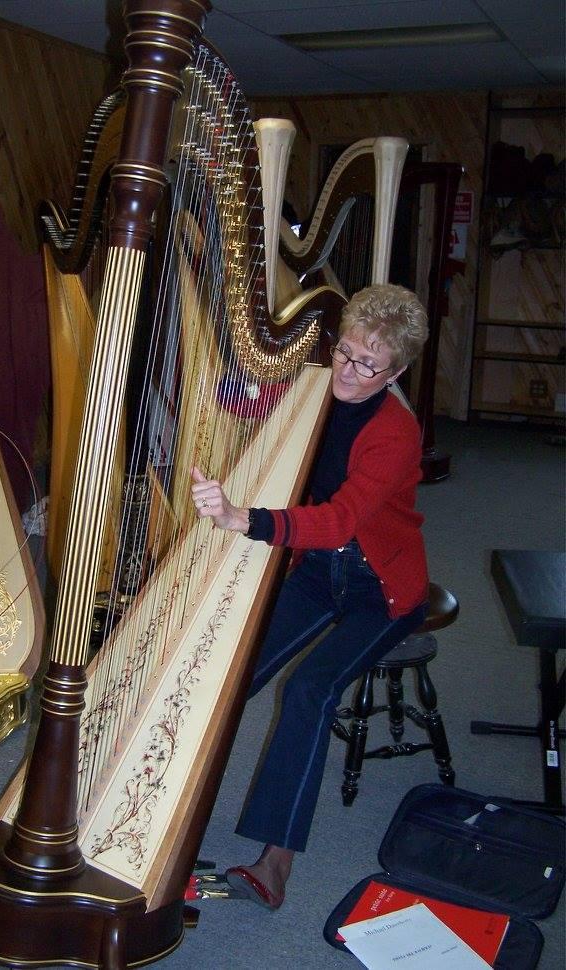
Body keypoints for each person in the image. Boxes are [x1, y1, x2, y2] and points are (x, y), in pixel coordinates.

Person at [190, 283, 430, 910]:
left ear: (395, 371)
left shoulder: (394, 433)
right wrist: (225, 375)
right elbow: (249, 402)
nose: (347, 373)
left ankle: (275, 864)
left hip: (380, 588)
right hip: (319, 573)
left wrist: (248, 519)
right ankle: (167, 814)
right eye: (344, 353)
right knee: (231, 671)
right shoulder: (315, 386)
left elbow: (343, 520)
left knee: (308, 689)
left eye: (366, 365)